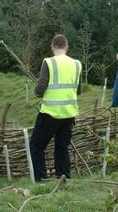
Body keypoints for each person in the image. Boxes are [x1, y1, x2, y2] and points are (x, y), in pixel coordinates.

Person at [30, 34, 82, 181]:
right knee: (62, 147)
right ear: (67, 47)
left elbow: (40, 88)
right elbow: (78, 90)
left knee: (36, 146)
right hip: (69, 114)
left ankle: (41, 179)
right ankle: (64, 177)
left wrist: (36, 92)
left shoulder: (48, 62)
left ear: (52, 47)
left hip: (50, 114)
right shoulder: (77, 64)